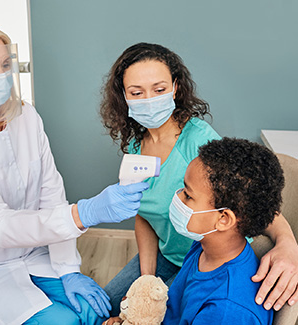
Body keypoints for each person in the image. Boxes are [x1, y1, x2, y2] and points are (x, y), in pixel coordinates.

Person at [0, 17, 149, 325]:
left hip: (32, 255)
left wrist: (69, 269)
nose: (1, 75)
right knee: (66, 322)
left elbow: (51, 194)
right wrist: (83, 213)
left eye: (5, 64)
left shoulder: (26, 116)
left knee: (93, 311)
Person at [101, 42, 298, 316]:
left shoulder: (198, 141)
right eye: (137, 92)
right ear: (124, 97)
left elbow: (249, 201)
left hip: (212, 257)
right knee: (103, 307)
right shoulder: (137, 145)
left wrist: (289, 244)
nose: (148, 100)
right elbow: (144, 214)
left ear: (175, 87)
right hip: (170, 256)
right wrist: (146, 279)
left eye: (158, 90)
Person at [104, 137, 282, 325]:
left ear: (223, 219)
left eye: (188, 196)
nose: (178, 196)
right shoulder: (204, 246)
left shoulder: (226, 311)